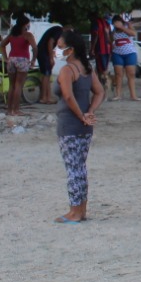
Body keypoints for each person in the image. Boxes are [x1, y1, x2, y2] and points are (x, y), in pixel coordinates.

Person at [52, 28, 104, 224]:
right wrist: (90, 112)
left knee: (73, 169)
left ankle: (75, 211)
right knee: (80, 168)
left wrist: (83, 115)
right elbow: (99, 92)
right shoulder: (86, 69)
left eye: (60, 47)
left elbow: (67, 96)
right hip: (84, 127)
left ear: (70, 49)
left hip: (70, 125)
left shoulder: (68, 70)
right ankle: (81, 209)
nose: (57, 50)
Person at [0, 15, 35, 117]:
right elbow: (35, 48)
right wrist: (33, 60)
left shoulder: (12, 34)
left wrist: (5, 58)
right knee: (19, 85)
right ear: (25, 24)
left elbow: (2, 45)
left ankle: (9, 109)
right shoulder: (27, 35)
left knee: (12, 85)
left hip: (11, 60)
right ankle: (16, 110)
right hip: (22, 60)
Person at [110, 15, 140, 101]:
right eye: (114, 23)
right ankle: (118, 95)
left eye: (117, 22)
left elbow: (133, 34)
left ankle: (133, 95)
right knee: (118, 75)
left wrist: (122, 27)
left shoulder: (127, 26)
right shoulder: (113, 31)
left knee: (131, 74)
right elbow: (110, 40)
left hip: (130, 53)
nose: (116, 24)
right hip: (117, 53)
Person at [35, 24, 64, 105]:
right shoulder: (59, 31)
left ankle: (47, 96)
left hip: (43, 52)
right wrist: (51, 58)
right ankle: (44, 97)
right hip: (43, 53)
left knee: (48, 74)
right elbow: (50, 42)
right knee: (46, 74)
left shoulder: (57, 30)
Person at [90, 14, 112, 88]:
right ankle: (104, 90)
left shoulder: (96, 23)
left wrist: (92, 48)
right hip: (107, 50)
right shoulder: (107, 23)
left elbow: (95, 36)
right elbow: (110, 38)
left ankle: (102, 89)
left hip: (100, 49)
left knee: (101, 71)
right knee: (105, 69)